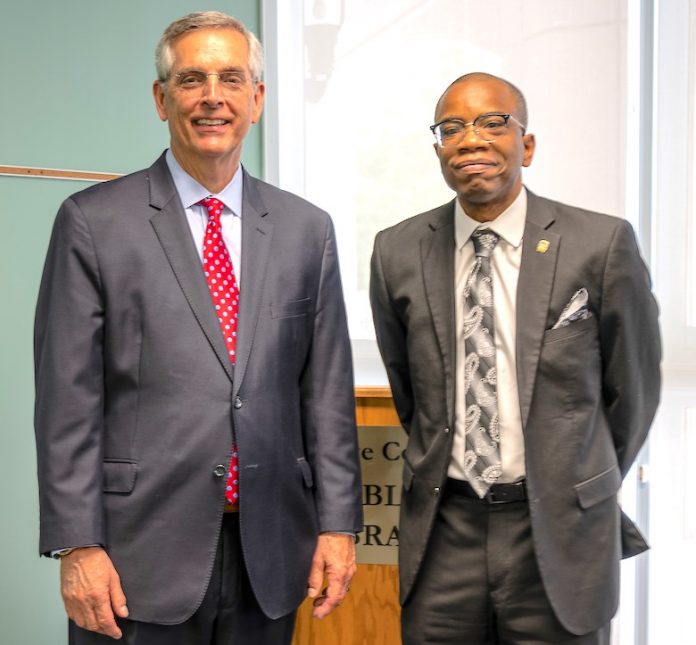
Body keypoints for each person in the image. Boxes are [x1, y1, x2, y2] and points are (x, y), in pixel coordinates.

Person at [34, 11, 362, 644]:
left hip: (270, 551)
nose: (213, 96)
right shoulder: (93, 222)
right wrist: (76, 545)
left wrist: (338, 526)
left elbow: (325, 395)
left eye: (232, 78)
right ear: (162, 99)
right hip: (134, 560)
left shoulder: (306, 230)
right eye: (192, 79)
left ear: (257, 99)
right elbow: (66, 403)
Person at [369, 72, 661, 644]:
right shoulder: (396, 251)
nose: (471, 139)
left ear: (526, 144)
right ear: (438, 151)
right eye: (452, 127)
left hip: (557, 532)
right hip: (444, 532)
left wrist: (576, 480)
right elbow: (412, 392)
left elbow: (633, 392)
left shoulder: (600, 245)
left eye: (492, 122)